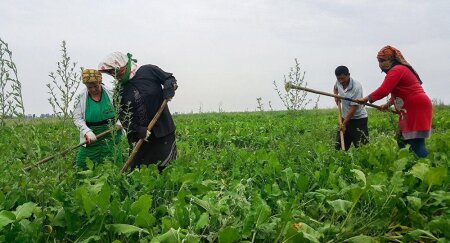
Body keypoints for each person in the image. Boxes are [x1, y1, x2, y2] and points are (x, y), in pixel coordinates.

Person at [98, 52, 178, 171]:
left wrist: (169, 88)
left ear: (124, 65)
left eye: (116, 71)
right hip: (140, 137)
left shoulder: (148, 71)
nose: (115, 76)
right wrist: (138, 130)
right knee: (140, 171)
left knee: (166, 168)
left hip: (163, 130)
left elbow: (168, 78)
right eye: (111, 74)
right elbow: (123, 117)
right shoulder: (119, 91)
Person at [356, 45, 432, 158]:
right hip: (409, 108)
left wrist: (366, 99)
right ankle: (410, 163)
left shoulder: (397, 70)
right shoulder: (398, 70)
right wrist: (387, 105)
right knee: (402, 140)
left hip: (416, 107)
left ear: (391, 60)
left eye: (382, 61)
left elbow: (384, 90)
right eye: (378, 61)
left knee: (416, 143)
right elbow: (397, 93)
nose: (380, 64)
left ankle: (429, 166)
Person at [73, 69, 123, 168]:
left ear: (100, 82)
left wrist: (120, 121)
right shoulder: (80, 97)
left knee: (113, 162)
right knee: (82, 163)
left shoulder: (112, 93)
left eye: (95, 86)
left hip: (112, 132)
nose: (93, 89)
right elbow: (77, 118)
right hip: (93, 136)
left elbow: (122, 109)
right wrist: (87, 132)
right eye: (89, 87)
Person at [333, 66, 369, 150]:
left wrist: (344, 124)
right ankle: (340, 161)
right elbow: (335, 88)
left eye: (343, 78)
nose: (341, 81)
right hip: (345, 117)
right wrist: (336, 96)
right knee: (339, 146)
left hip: (358, 119)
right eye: (338, 79)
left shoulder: (356, 87)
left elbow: (353, 108)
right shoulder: (338, 81)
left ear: (348, 75)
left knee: (362, 147)